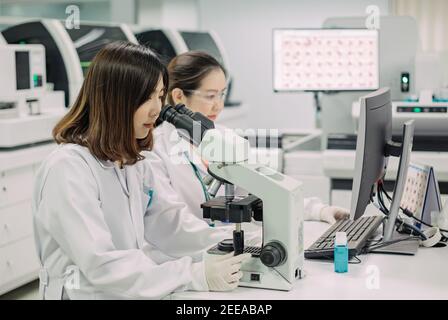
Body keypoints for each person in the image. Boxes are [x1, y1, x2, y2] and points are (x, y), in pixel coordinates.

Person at [32, 42, 250, 300]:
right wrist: (192, 274)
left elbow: (170, 224)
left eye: (159, 96)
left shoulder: (133, 161)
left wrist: (233, 242)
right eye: (147, 97)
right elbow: (102, 264)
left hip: (126, 291)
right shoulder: (68, 168)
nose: (157, 109)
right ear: (115, 99)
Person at [145, 51, 349, 227]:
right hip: (182, 259)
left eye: (222, 95)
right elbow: (171, 225)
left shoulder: (224, 136)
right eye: (210, 96)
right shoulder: (157, 149)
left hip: (225, 246)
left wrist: (318, 210)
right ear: (179, 97)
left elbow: (264, 189)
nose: (219, 105)